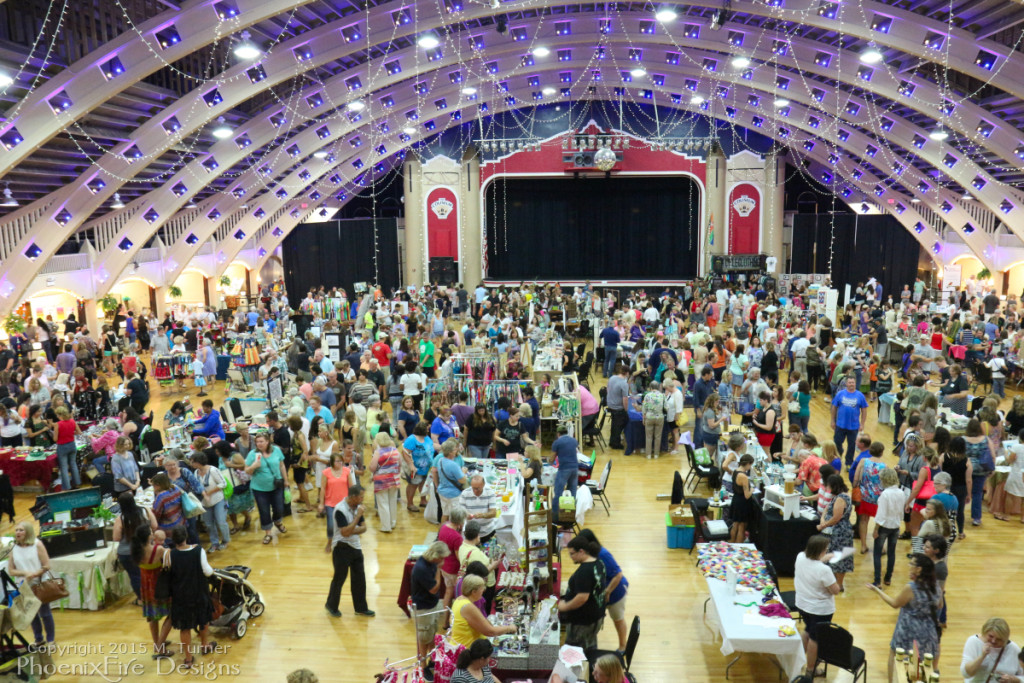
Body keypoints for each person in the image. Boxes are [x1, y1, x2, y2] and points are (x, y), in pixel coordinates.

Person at [867, 553, 943, 682]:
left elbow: (895, 604)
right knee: (923, 661)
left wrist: (877, 590)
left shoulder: (911, 588)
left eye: (912, 564)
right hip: (928, 630)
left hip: (908, 629)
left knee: (895, 654)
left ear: (919, 569)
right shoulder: (936, 586)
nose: (909, 566)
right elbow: (940, 605)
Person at [166, 525, 216, 668]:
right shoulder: (198, 551)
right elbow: (207, 572)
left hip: (180, 596)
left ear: (173, 540)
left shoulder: (170, 555)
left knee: (185, 627)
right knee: (203, 619)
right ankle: (205, 645)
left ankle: (188, 658)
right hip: (199, 592)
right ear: (186, 537)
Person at [325, 483, 375, 617]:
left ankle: (361, 608)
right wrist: (357, 518)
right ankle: (331, 605)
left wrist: (351, 528)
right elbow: (344, 533)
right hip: (341, 547)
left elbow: (363, 528)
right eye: (361, 497)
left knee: (360, 578)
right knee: (339, 578)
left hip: (355, 546)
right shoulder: (340, 509)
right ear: (353, 497)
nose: (362, 500)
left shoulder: (358, 507)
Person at [576, 528, 630, 653]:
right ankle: (590, 646)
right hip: (601, 593)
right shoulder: (588, 554)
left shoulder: (603, 554)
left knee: (618, 619)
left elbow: (618, 575)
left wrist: (607, 592)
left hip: (616, 592)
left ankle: (623, 647)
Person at [794, 535, 841, 679]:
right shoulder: (824, 570)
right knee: (815, 639)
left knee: (808, 630)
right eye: (825, 550)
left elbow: (813, 562)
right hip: (819, 610)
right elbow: (835, 590)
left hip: (802, 604)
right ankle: (811, 669)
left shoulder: (800, 556)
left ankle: (797, 662)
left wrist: (825, 557)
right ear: (820, 551)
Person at [8, 522, 56, 650]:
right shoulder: (13, 547)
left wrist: (34, 574)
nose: (17, 532)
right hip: (24, 586)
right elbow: (11, 570)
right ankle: (38, 639)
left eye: (21, 530)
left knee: (45, 613)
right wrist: (25, 573)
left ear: (28, 532)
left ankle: (51, 640)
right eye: (16, 530)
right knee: (32, 614)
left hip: (39, 584)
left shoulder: (37, 544)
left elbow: (46, 565)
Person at [557, 534, 607, 650]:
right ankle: (591, 663)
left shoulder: (584, 572)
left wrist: (565, 606)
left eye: (572, 554)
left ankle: (584, 667)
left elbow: (582, 597)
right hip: (595, 616)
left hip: (583, 622)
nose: (571, 557)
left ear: (581, 551)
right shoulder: (599, 563)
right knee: (589, 645)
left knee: (575, 651)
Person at [131, 525, 174, 659]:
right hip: (159, 585)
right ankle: (160, 646)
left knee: (153, 617)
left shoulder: (136, 551)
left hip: (145, 586)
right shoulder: (159, 549)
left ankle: (157, 642)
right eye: (151, 532)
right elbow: (169, 560)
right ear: (149, 536)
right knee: (172, 614)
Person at [410, 541, 449, 676]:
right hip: (423, 608)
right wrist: (438, 570)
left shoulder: (430, 562)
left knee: (431, 635)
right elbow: (434, 589)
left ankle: (432, 659)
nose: (443, 560)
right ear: (436, 555)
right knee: (423, 638)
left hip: (431, 605)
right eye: (442, 557)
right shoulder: (422, 568)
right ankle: (423, 665)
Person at [111, 490, 157, 601]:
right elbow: (155, 525)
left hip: (127, 553)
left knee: (135, 576)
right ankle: (154, 595)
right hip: (146, 549)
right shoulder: (145, 511)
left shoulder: (121, 519)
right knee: (150, 573)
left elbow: (116, 538)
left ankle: (142, 599)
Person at [244, 431, 288, 545]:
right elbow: (246, 470)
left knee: (279, 508)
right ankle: (268, 533)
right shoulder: (252, 454)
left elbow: (282, 465)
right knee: (264, 511)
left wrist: (286, 480)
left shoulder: (276, 450)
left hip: (276, 485)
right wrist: (254, 465)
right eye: (257, 442)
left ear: (268, 442)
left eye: (261, 441)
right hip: (259, 488)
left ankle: (278, 522)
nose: (259, 444)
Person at [451, 577, 516, 647]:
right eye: (482, 588)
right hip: (466, 649)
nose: (484, 590)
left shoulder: (459, 599)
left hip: (461, 645)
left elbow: (483, 621)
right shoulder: (468, 607)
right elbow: (490, 632)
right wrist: (509, 628)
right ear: (474, 592)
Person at [961, 617, 1024, 682]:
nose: (993, 641)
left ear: (1005, 638)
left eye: (999, 639)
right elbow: (966, 674)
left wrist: (1013, 679)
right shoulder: (973, 642)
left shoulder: (1014, 649)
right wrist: (982, 656)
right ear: (984, 632)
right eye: (990, 636)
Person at [870, 468, 904, 587]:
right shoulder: (901, 492)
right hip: (895, 526)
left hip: (884, 526)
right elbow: (901, 512)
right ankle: (888, 578)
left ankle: (877, 580)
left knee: (877, 554)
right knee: (891, 553)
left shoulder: (885, 494)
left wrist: (875, 529)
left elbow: (881, 515)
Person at [191, 451, 230, 552]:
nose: (191, 464)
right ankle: (215, 542)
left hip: (218, 500)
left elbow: (223, 483)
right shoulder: (196, 473)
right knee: (208, 524)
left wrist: (209, 492)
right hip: (205, 502)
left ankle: (226, 540)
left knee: (221, 521)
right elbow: (196, 486)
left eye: (192, 462)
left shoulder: (213, 470)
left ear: (198, 462)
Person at [457, 521, 499, 613]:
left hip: (473, 582)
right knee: (484, 608)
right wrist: (494, 565)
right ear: (476, 535)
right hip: (485, 585)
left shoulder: (462, 546)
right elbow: (482, 572)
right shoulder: (475, 553)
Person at [831, 375, 868, 468]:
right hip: (840, 425)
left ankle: (848, 463)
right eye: (850, 382)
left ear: (855, 383)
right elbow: (834, 407)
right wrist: (832, 420)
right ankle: (837, 459)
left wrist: (862, 424)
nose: (851, 384)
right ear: (846, 383)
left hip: (854, 426)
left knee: (852, 446)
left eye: (853, 382)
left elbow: (864, 410)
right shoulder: (840, 394)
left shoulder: (860, 395)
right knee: (837, 443)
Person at [369, 432, 402, 533]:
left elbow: (372, 468)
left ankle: (386, 526)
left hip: (381, 481)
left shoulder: (378, 452)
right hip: (394, 479)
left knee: (383, 503)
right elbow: (399, 465)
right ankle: (393, 522)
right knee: (392, 502)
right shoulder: (396, 451)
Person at [438, 505, 467, 618]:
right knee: (457, 595)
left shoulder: (444, 527)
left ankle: (446, 621)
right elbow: (459, 557)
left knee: (448, 592)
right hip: (453, 569)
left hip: (444, 565)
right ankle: (456, 619)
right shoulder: (457, 537)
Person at [401, 421, 433, 513]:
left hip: (426, 468)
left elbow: (431, 447)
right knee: (413, 485)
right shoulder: (412, 439)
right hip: (415, 468)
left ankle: (423, 500)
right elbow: (405, 453)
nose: (428, 430)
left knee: (423, 483)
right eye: (427, 429)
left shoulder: (427, 438)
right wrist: (411, 465)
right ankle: (410, 503)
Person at [433, 439, 467, 522]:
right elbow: (462, 480)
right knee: (455, 517)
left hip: (442, 491)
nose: (456, 450)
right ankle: (452, 533)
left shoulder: (440, 460)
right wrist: (464, 472)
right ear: (450, 452)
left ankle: (441, 533)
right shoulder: (453, 465)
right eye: (455, 449)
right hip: (453, 494)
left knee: (445, 514)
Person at [551, 423, 580, 517]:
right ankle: (570, 514)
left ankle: (555, 515)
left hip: (564, 469)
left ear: (558, 434)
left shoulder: (557, 442)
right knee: (572, 491)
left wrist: (548, 461)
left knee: (558, 491)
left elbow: (552, 458)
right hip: (575, 468)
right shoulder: (574, 440)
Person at [51, 406, 81, 491]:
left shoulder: (58, 424)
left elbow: (55, 439)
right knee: (73, 464)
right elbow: (79, 432)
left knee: (63, 467)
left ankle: (67, 487)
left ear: (59, 415)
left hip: (62, 447)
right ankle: (77, 483)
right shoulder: (72, 421)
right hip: (72, 445)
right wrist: (70, 433)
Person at [459, 476, 498, 543]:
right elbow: (461, 512)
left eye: (477, 488)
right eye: (473, 488)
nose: (475, 491)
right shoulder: (465, 494)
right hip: (472, 533)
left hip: (487, 531)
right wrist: (466, 515)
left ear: (483, 485)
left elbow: (493, 513)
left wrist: (482, 515)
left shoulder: (490, 493)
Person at [729, 453, 755, 543]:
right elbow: (747, 495)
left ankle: (731, 543)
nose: (750, 467)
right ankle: (738, 547)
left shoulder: (735, 471)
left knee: (735, 524)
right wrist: (752, 489)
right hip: (742, 503)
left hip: (736, 499)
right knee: (741, 527)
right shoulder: (744, 477)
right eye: (750, 465)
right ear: (748, 464)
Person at [151, 472, 185, 537]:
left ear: (158, 485)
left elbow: (156, 515)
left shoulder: (161, 496)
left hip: (168, 527)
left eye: (153, 485)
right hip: (180, 521)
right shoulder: (175, 488)